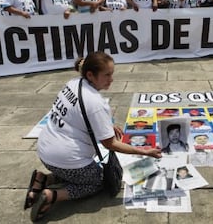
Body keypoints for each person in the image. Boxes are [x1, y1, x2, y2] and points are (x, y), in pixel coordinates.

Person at [25, 52, 161, 221]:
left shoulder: (73, 83)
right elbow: (110, 144)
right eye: (107, 75)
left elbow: (80, 115)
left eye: (112, 74)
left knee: (82, 172)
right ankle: (52, 195)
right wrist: (145, 152)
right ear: (90, 74)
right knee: (99, 182)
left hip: (45, 151)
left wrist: (106, 125)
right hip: (66, 159)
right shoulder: (96, 103)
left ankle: (43, 178)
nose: (111, 79)